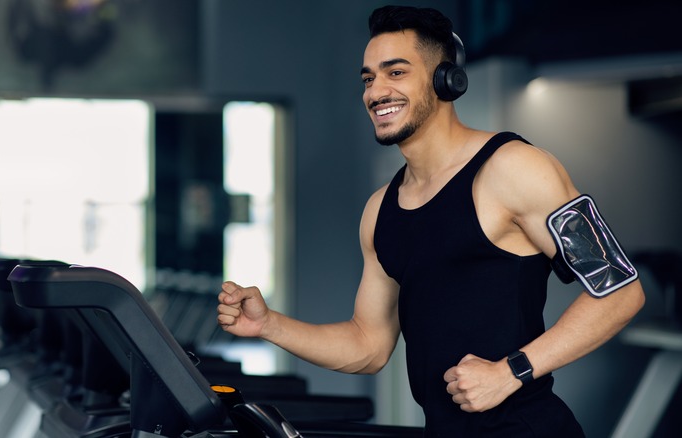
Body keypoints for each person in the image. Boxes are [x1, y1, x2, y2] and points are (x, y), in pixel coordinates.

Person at [217, 5, 645, 437]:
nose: (375, 91)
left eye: (395, 73)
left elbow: (620, 291)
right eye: (368, 78)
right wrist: (269, 324)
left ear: (446, 79)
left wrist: (511, 372)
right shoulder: (380, 210)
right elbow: (368, 345)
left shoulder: (514, 169)